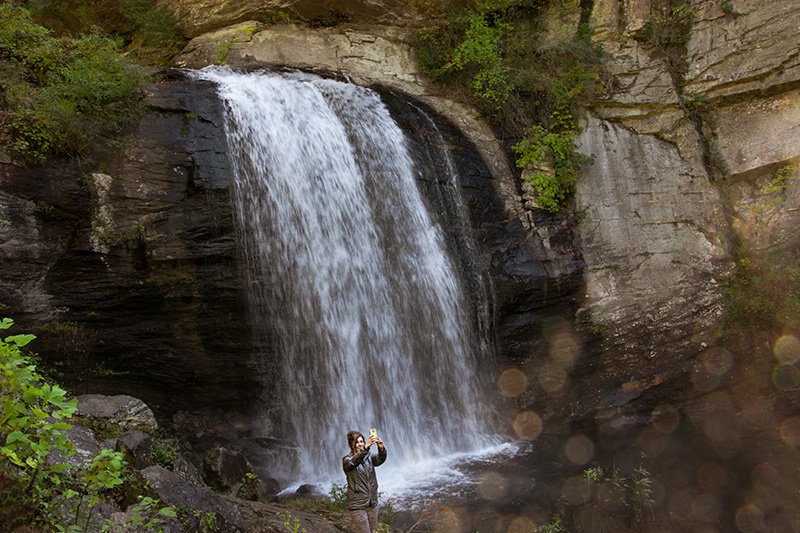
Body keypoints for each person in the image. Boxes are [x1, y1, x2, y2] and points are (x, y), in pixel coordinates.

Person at [342, 429, 387, 533]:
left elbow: (380, 460)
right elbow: (353, 463)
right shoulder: (347, 460)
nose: (360, 444)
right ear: (351, 444)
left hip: (372, 503)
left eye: (361, 441)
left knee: (374, 531)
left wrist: (381, 449)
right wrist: (366, 448)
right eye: (357, 442)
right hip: (358, 506)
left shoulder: (369, 457)